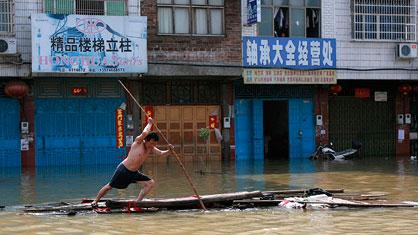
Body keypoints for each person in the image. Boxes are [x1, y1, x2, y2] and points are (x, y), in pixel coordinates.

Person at [91, 117, 174, 206]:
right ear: (146, 140)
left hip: (134, 173)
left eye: (155, 144)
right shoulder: (138, 142)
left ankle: (138, 202)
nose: (152, 145)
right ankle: (95, 201)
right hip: (123, 170)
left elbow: (162, 153)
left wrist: (170, 150)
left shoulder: (151, 148)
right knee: (109, 186)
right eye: (152, 143)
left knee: (150, 183)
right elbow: (145, 133)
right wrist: (150, 123)